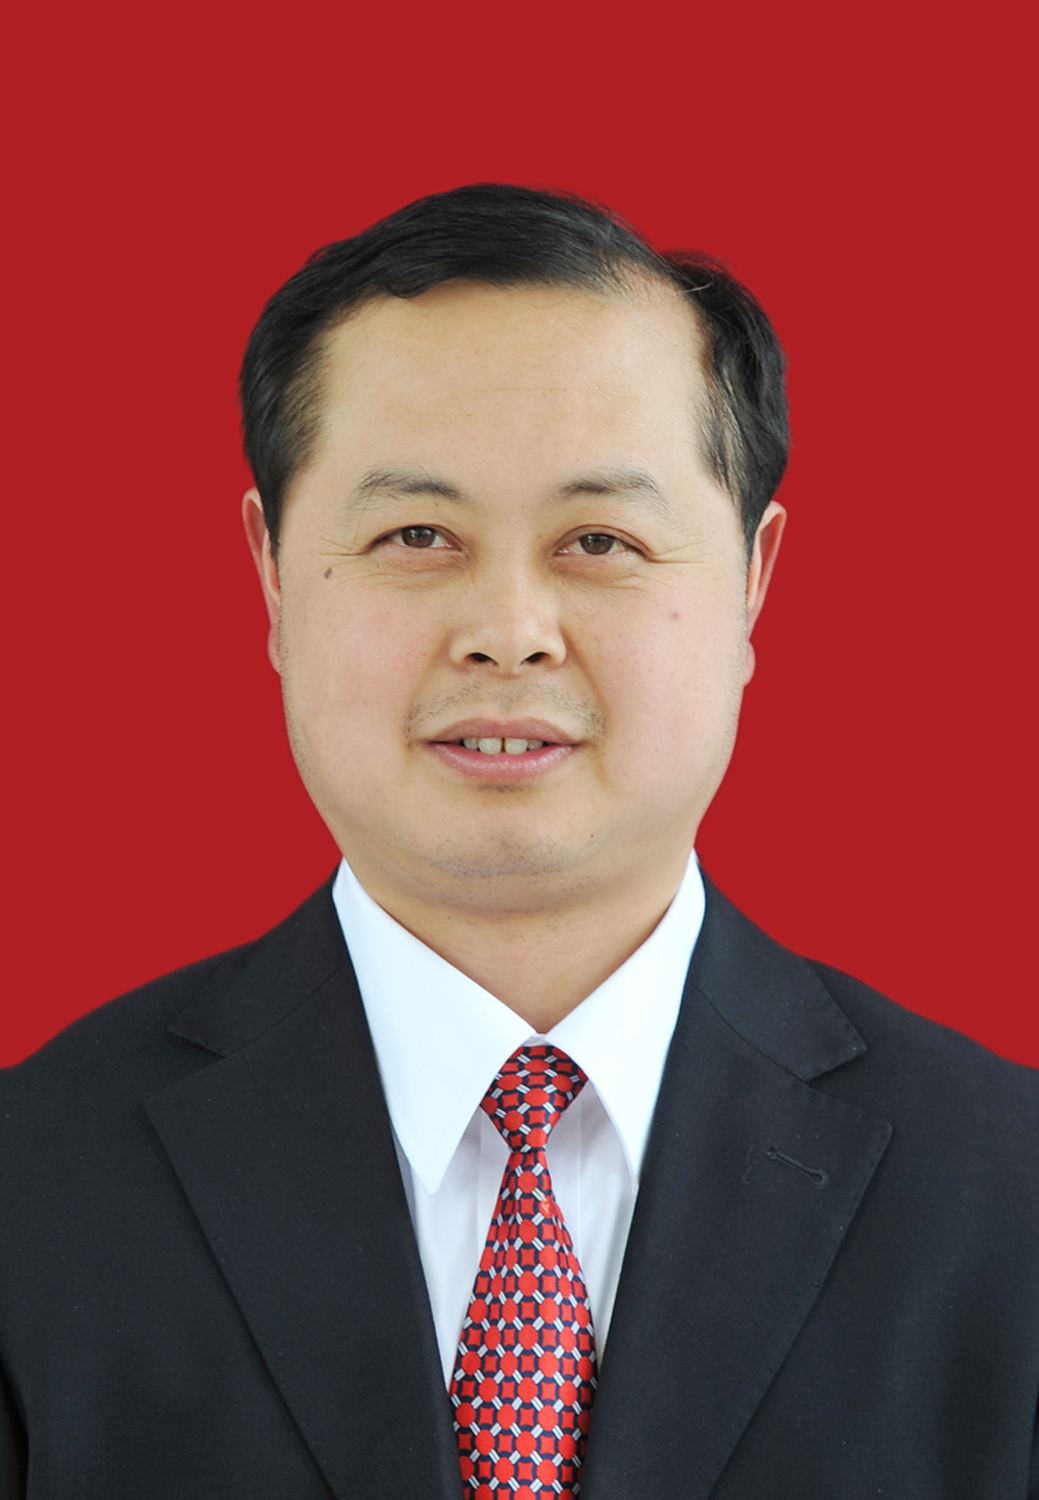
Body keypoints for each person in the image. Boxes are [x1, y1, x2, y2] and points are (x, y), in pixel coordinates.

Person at [1, 184, 1038, 1500]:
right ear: (271, 574)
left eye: (599, 539)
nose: (508, 631)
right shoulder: (33, 1187)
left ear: (752, 581)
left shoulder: (1008, 1197)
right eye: (415, 535)